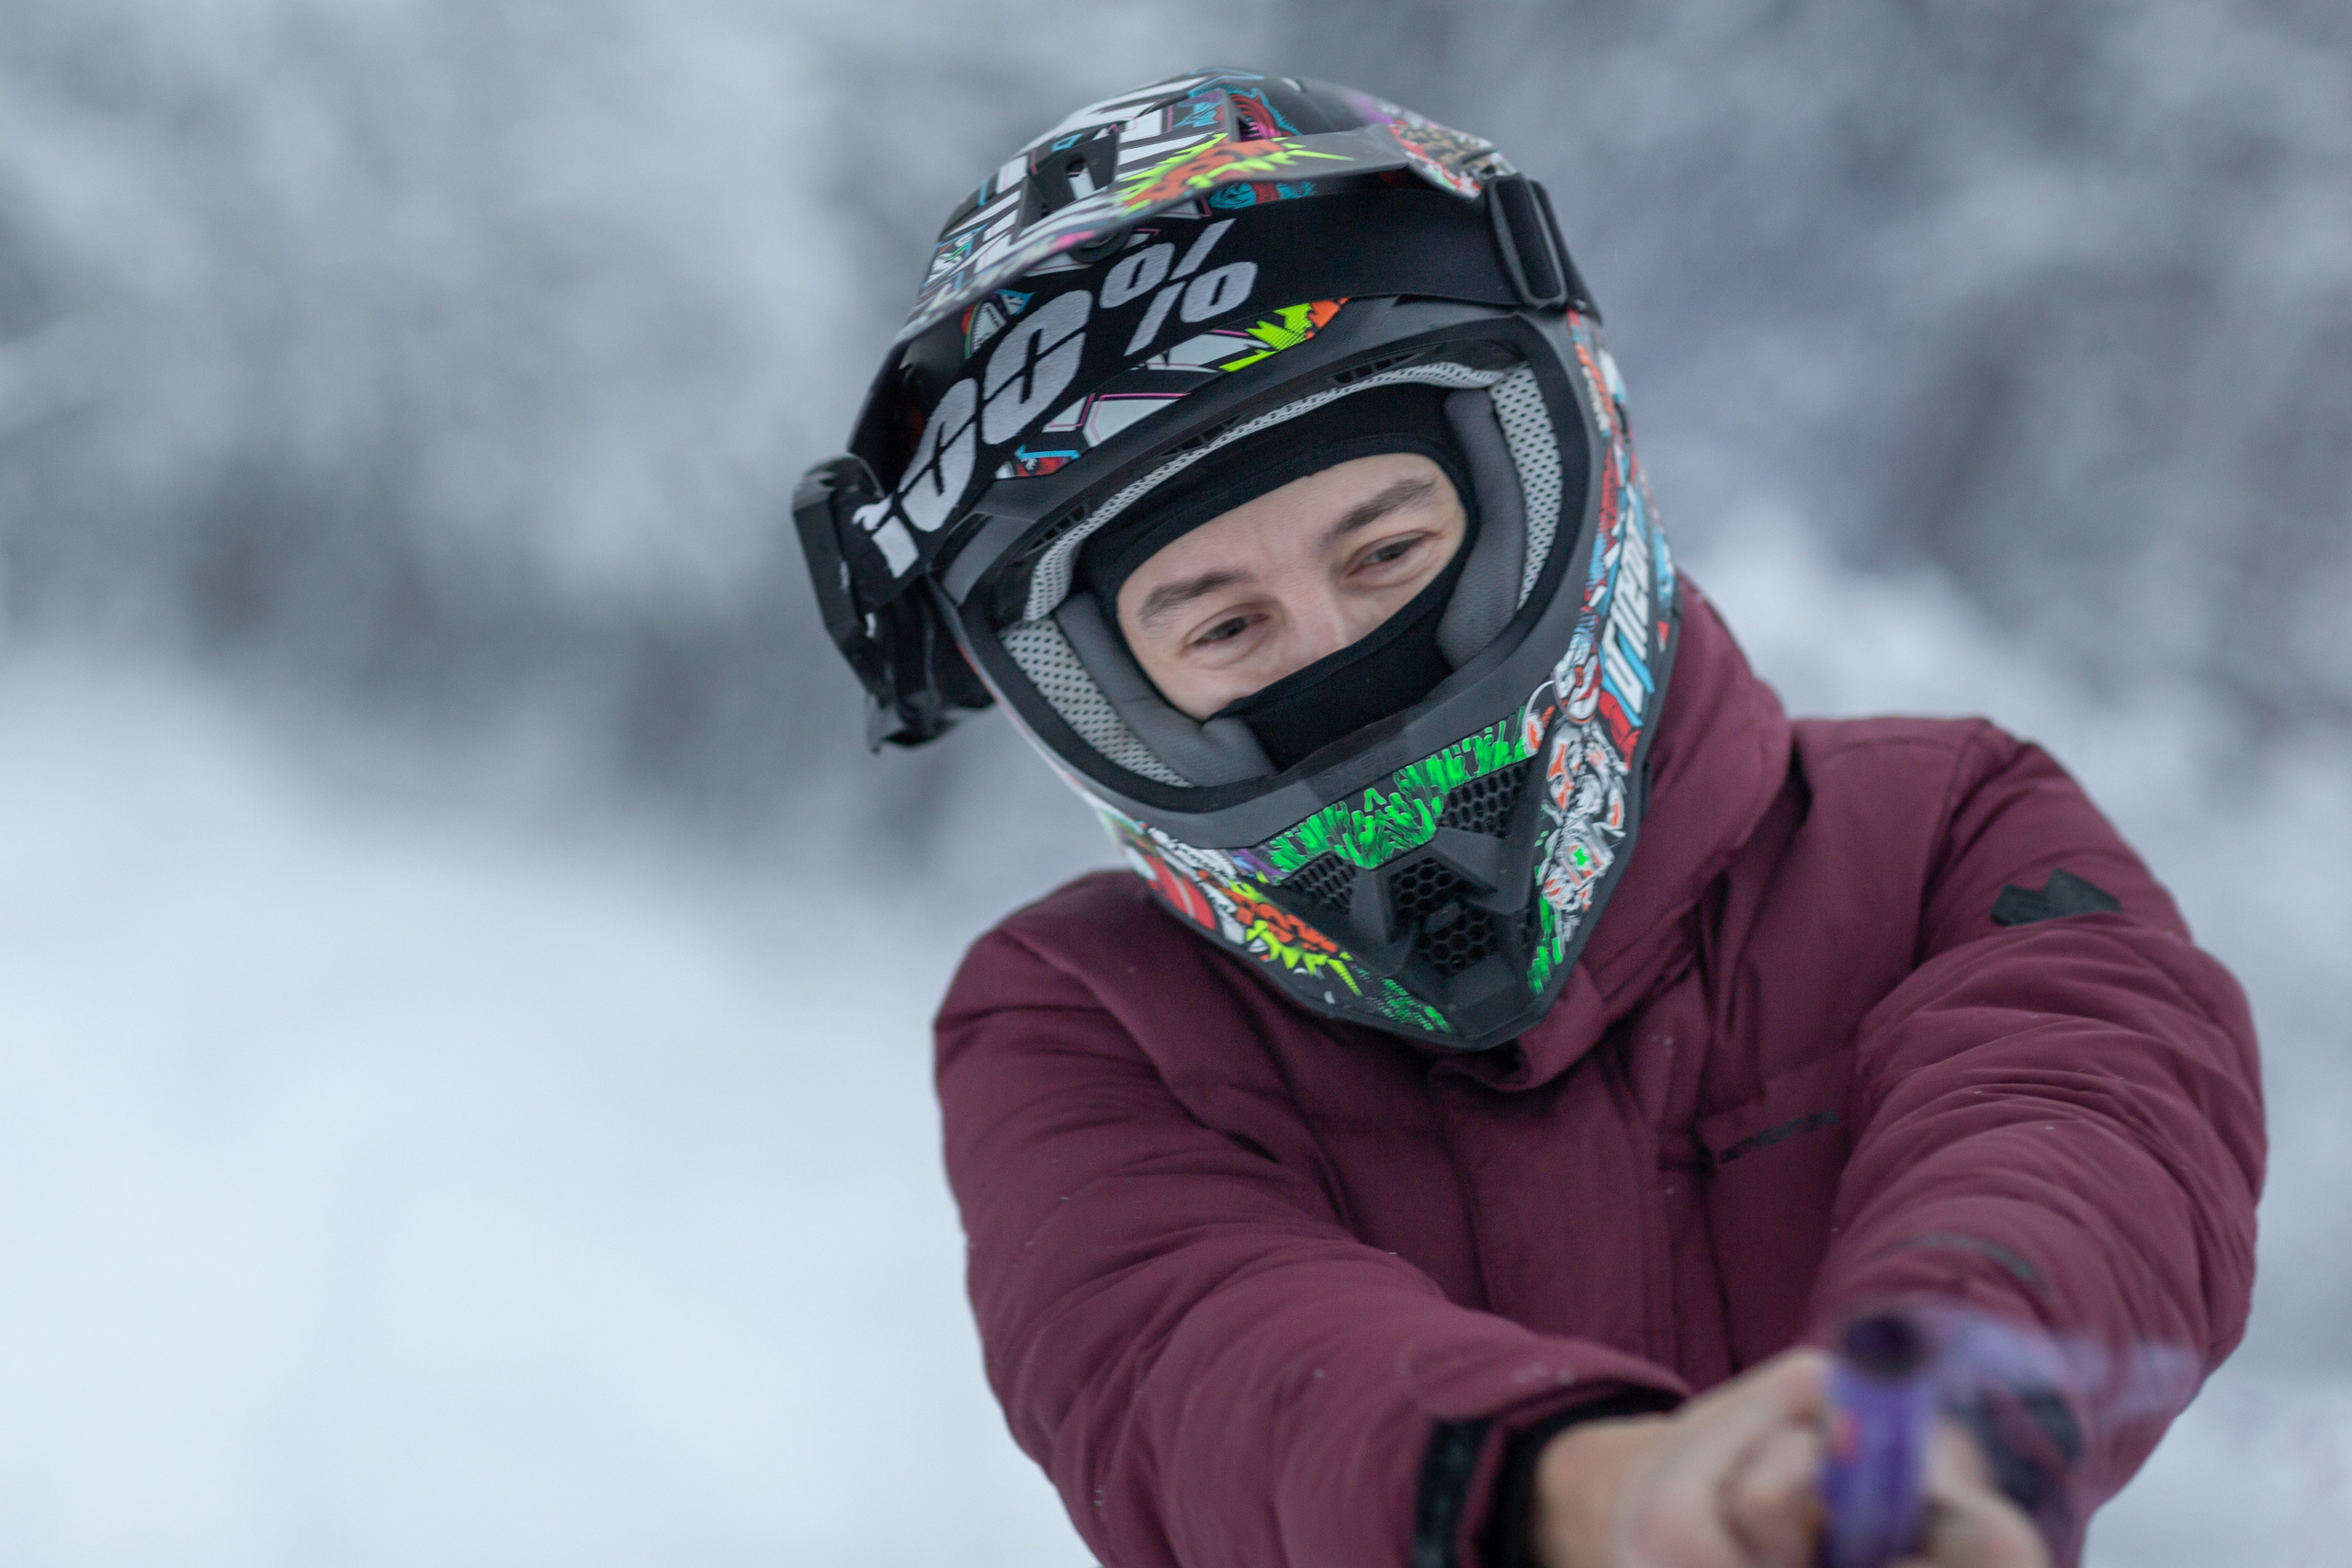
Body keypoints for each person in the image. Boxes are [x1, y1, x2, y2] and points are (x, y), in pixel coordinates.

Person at [791, 70, 2263, 1568]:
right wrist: (1583, 1501)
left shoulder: (1944, 830)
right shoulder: (1086, 1015)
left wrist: (1902, 1442)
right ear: (1105, 695)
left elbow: (2090, 1131)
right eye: (1224, 629)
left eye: (1390, 552)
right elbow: (1186, 1355)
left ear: (1544, 482)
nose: (1333, 655)